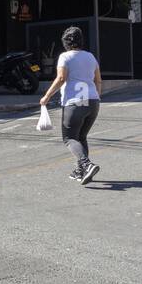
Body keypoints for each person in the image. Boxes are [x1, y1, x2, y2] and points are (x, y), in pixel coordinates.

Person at [39, 26, 103, 185]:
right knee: (81, 137)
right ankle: (82, 171)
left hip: (75, 103)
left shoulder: (65, 57)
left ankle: (86, 165)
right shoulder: (90, 57)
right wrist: (97, 97)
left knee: (69, 138)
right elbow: (98, 80)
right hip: (93, 102)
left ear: (65, 42)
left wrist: (46, 96)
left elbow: (61, 78)